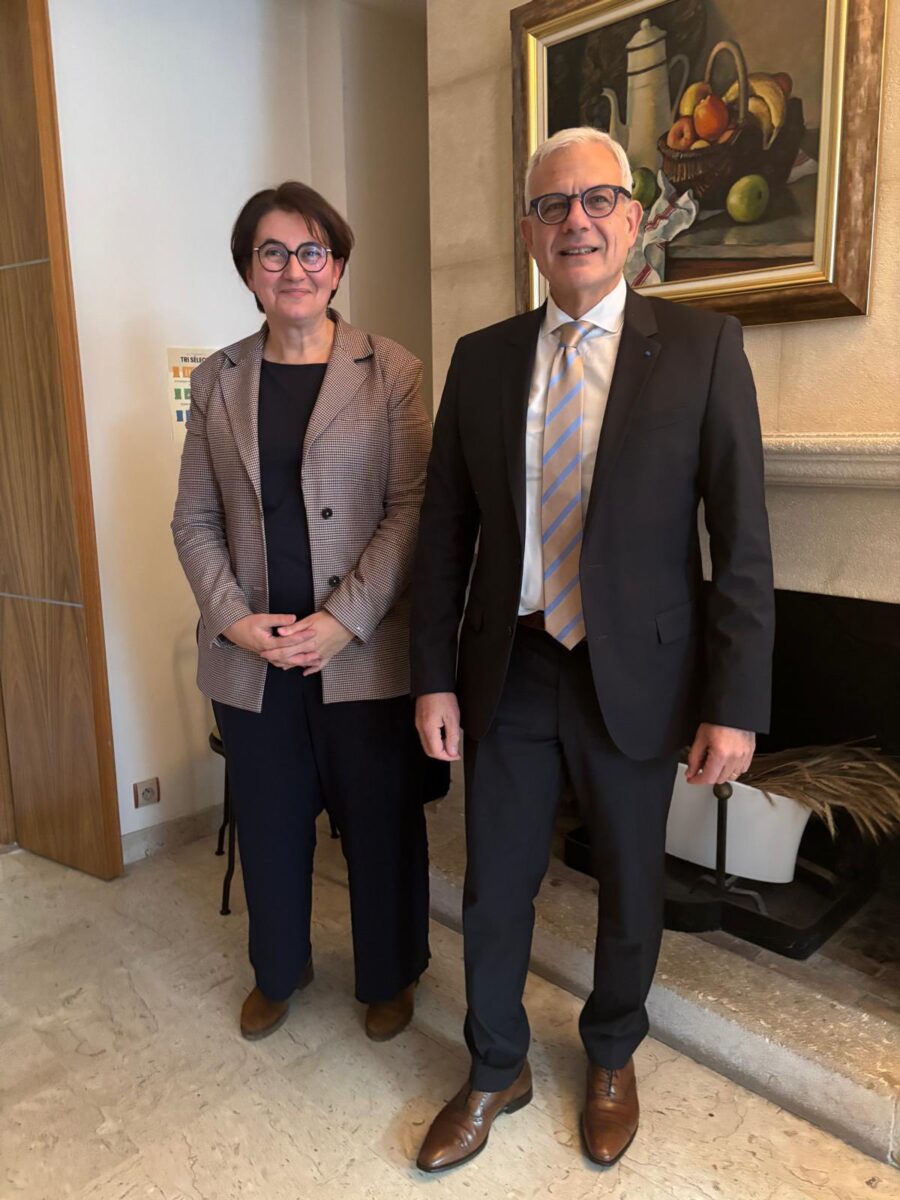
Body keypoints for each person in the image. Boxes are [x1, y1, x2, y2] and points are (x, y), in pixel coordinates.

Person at [410, 127, 774, 1172]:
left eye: (597, 199)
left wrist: (735, 703)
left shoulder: (704, 349)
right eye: (552, 205)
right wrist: (432, 677)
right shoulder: (482, 359)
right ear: (529, 231)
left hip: (641, 673)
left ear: (635, 217)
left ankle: (612, 1054)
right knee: (494, 887)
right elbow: (445, 533)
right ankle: (496, 1065)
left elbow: (742, 541)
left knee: (631, 883)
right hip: (514, 665)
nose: (576, 220)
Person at [172, 181, 432, 1044]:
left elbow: (412, 510)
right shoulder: (218, 379)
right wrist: (233, 619)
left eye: (312, 251)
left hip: (361, 652)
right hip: (254, 656)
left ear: (338, 265)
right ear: (249, 271)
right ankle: (278, 971)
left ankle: (390, 975)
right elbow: (193, 519)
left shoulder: (391, 371)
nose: (294, 269)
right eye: (273, 253)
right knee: (272, 826)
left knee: (381, 827)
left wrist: (343, 620)